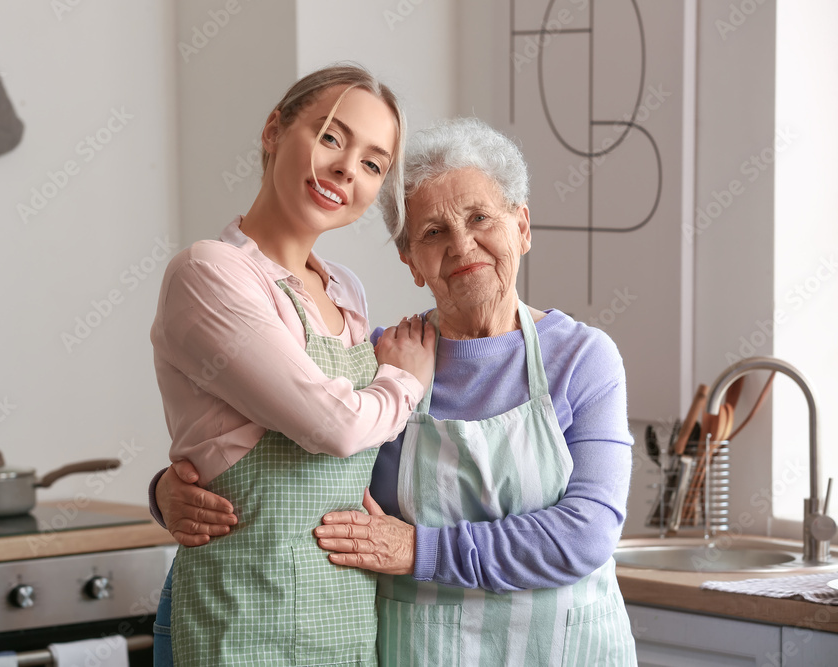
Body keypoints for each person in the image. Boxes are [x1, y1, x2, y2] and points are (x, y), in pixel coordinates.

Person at [157, 117, 638, 665]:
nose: (462, 245)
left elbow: (585, 534)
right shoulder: (384, 362)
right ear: (410, 261)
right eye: (433, 232)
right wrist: (170, 490)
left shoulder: (582, 358)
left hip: (563, 648)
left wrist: (418, 549)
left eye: (480, 218)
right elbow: (285, 463)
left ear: (522, 227)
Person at [148, 64, 437, 667]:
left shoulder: (346, 291)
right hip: (241, 616)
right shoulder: (210, 273)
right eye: (332, 137)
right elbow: (333, 425)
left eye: (373, 164)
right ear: (274, 130)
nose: (345, 170)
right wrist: (404, 379)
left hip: (342, 613)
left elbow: (353, 449)